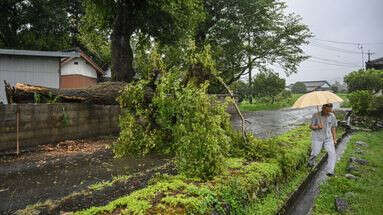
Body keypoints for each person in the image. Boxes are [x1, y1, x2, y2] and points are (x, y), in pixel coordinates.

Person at [308, 103, 338, 176]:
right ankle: (310, 163)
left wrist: (334, 139)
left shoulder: (332, 116)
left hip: (328, 138)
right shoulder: (316, 115)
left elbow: (333, 127)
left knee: (332, 153)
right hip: (317, 138)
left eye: (330, 111)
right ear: (323, 108)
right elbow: (311, 126)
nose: (329, 112)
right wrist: (317, 126)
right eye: (327, 111)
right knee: (315, 153)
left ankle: (330, 171)